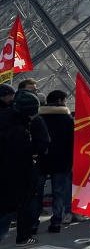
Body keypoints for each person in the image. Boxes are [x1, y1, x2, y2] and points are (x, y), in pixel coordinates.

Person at [0, 90, 45, 246]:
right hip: (20, 172)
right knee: (23, 205)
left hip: (6, 171)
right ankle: (23, 238)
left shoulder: (5, 118)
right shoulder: (23, 128)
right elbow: (37, 146)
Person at [38, 90, 74, 233]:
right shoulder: (67, 119)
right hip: (62, 161)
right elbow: (72, 142)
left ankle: (33, 224)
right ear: (60, 101)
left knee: (37, 193)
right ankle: (56, 221)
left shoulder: (38, 118)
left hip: (42, 160)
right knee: (59, 192)